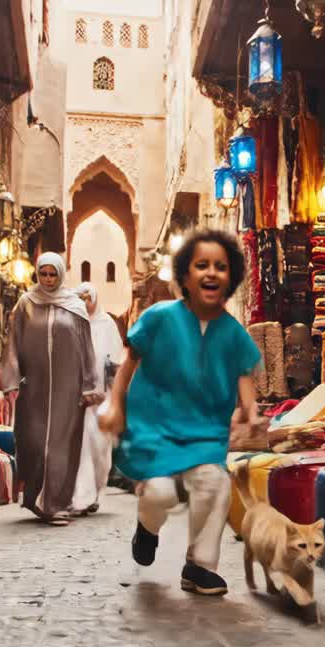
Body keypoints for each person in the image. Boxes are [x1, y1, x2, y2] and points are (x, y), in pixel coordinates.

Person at [100, 229, 263, 596]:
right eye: (201, 265)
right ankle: (147, 527)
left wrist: (250, 411)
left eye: (220, 267)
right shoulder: (159, 317)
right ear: (185, 276)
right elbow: (130, 362)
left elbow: (243, 374)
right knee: (160, 494)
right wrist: (115, 403)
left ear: (231, 276)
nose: (211, 273)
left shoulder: (233, 333)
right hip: (155, 429)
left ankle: (199, 566)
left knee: (216, 484)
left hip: (204, 433)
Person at [0, 253, 98, 526]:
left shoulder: (75, 306)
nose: (48, 279)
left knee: (62, 445)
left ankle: (57, 504)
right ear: (37, 275)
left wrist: (90, 385)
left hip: (70, 387)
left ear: (61, 275)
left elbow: (87, 350)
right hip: (35, 388)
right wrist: (10, 380)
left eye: (53, 274)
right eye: (43, 274)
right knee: (32, 441)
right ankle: (35, 498)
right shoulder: (26, 304)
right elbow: (13, 344)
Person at [71, 282, 125, 515]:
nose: (85, 303)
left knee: (99, 449)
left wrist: (108, 393)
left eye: (88, 298)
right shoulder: (71, 323)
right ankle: (80, 497)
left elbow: (115, 364)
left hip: (102, 397)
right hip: (77, 398)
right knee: (80, 447)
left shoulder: (107, 325)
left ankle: (96, 492)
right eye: (80, 298)